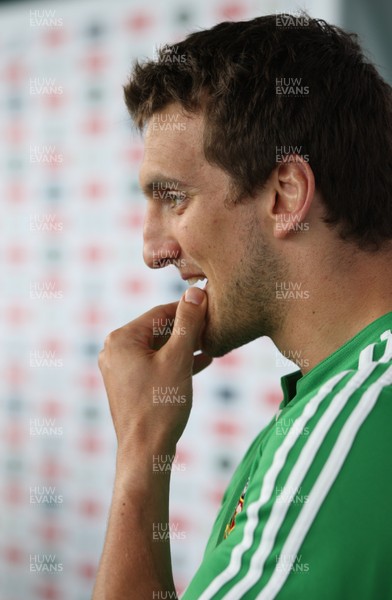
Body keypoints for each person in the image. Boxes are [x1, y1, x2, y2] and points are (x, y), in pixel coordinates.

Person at [92, 14, 392, 600]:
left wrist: (140, 447)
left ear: (286, 194)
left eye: (174, 197)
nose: (153, 251)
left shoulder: (353, 425)